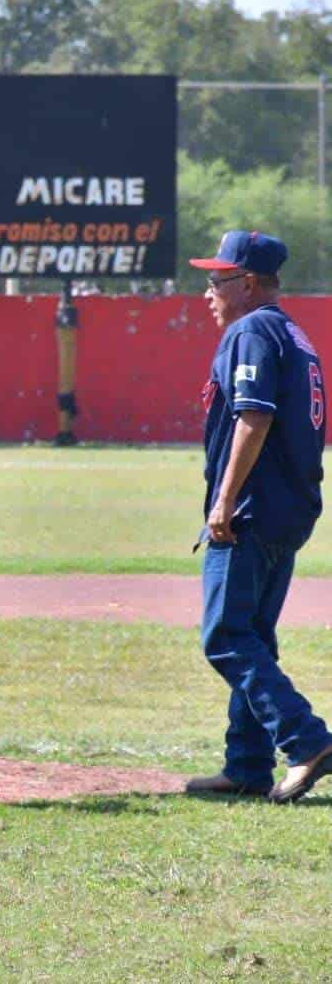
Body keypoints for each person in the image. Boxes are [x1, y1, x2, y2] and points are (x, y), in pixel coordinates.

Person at [183, 230, 332, 803]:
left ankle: (306, 740)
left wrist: (223, 500)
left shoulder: (251, 330)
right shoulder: (293, 332)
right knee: (253, 636)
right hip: (289, 506)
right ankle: (246, 765)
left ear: (247, 284)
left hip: (253, 508)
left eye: (217, 280)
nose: (208, 292)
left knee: (224, 634)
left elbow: (254, 418)